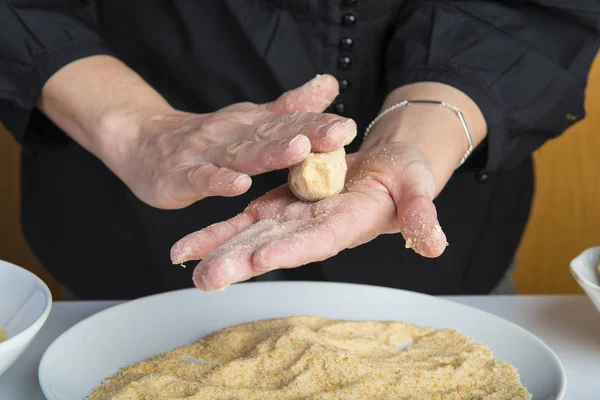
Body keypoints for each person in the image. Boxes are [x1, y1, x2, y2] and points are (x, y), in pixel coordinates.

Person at [0, 1, 598, 299]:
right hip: (131, 232)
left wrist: (414, 138)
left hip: (438, 254)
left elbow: (530, 9)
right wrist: (138, 128)